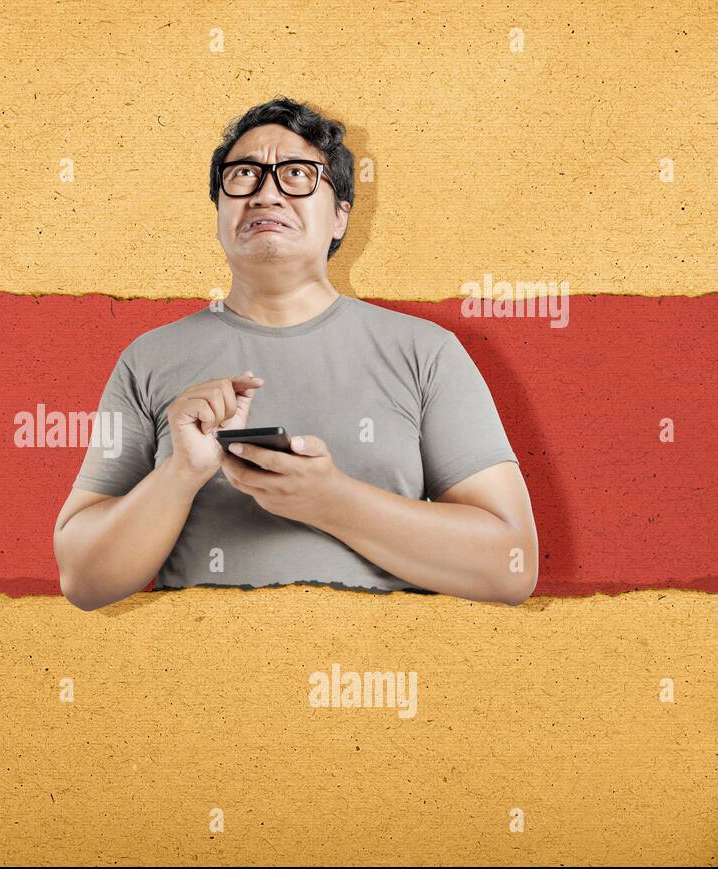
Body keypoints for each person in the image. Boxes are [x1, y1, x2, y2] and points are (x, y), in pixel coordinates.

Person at [53, 96, 538, 611]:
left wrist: (332, 502)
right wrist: (178, 475)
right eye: (244, 176)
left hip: (383, 657)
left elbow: (511, 567)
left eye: (298, 175)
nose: (266, 194)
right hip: (201, 671)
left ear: (340, 217)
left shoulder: (428, 352)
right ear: (219, 210)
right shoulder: (148, 359)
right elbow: (84, 581)